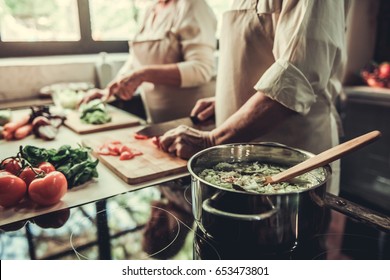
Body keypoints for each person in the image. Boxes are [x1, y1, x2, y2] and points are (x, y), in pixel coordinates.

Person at [159, 0, 351, 196]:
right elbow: (257, 54)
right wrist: (229, 99)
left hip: (292, 165)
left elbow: (296, 78)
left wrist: (211, 140)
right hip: (237, 166)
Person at [82, 0, 217, 123]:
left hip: (194, 120)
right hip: (157, 121)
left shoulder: (192, 5)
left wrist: (144, 74)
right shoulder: (150, 10)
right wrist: (108, 92)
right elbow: (136, 61)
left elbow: (201, 69)